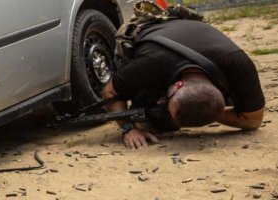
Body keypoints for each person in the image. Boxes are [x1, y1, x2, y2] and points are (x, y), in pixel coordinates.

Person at [102, 17, 265, 149]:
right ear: (177, 85)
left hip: (196, 42)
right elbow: (110, 92)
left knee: (175, 116)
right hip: (156, 35)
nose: (163, 102)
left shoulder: (238, 65)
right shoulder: (149, 65)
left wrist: (208, 111)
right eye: (167, 102)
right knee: (163, 121)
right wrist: (128, 128)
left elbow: (253, 120)